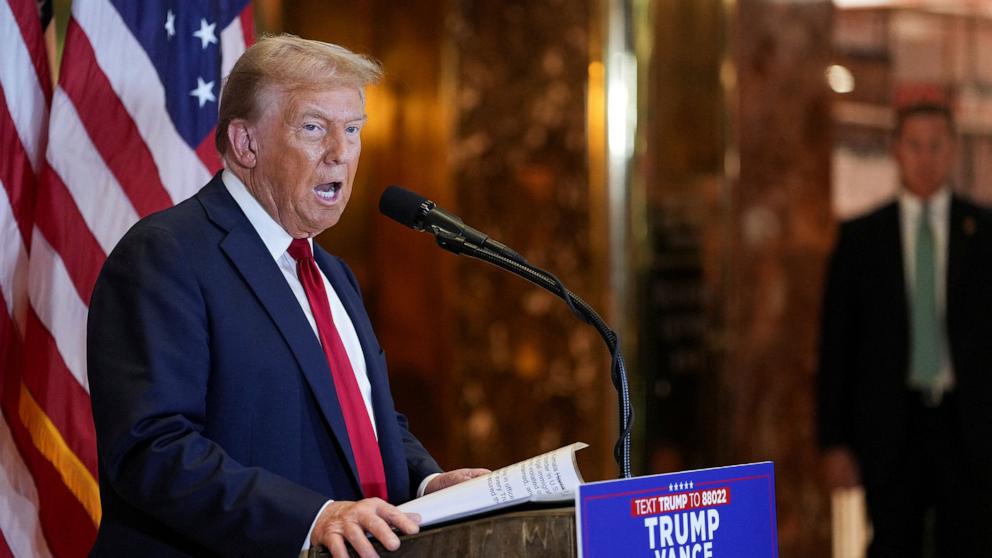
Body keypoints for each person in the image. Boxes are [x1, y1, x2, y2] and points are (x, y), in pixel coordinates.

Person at [87, 35, 487, 557]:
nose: (340, 154)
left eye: (352, 130)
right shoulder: (166, 255)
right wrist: (313, 517)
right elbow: (152, 449)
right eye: (314, 128)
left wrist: (428, 485)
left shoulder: (331, 273)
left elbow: (365, 421)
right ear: (246, 143)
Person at [817, 102, 992, 557]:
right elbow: (837, 344)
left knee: (969, 541)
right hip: (890, 426)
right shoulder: (861, 239)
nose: (925, 157)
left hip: (969, 426)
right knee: (894, 543)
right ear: (896, 150)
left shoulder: (984, 232)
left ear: (952, 151)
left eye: (936, 145)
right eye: (914, 145)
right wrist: (833, 440)